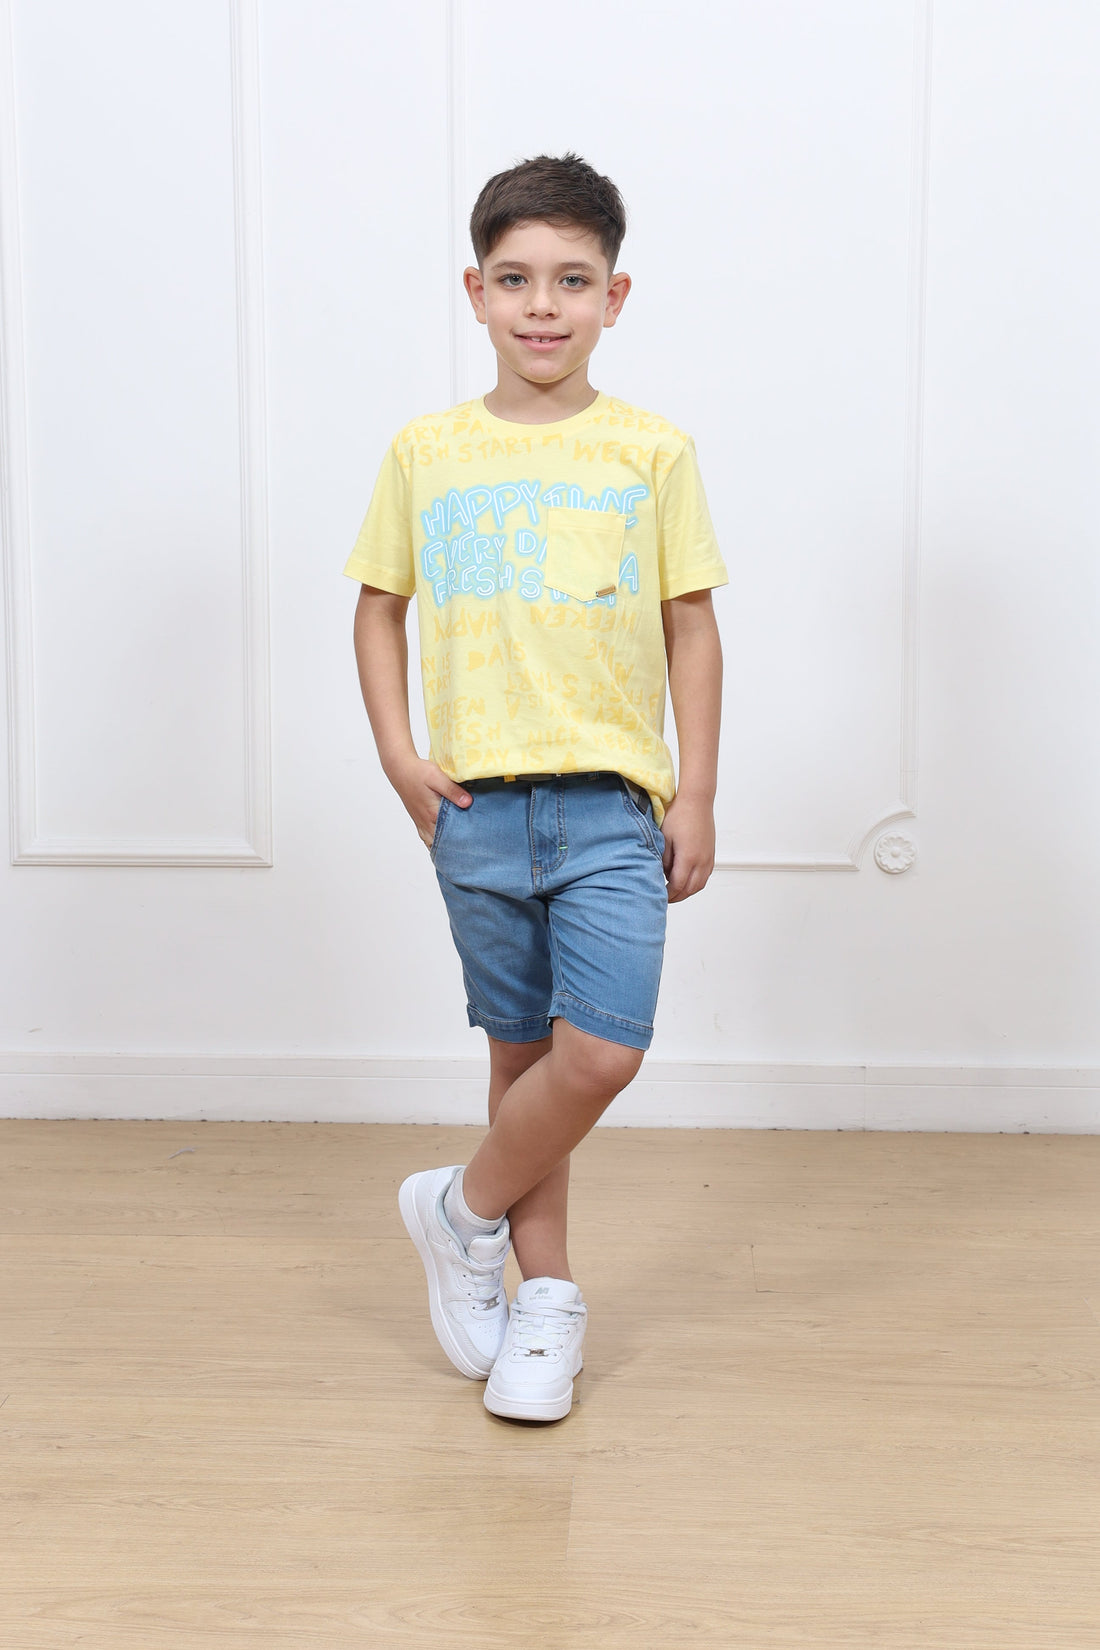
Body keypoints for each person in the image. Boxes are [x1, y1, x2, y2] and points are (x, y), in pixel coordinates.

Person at [346, 153, 726, 1422]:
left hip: (612, 803)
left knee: (599, 1053)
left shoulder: (651, 450)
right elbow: (378, 608)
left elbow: (688, 625)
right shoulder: (425, 451)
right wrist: (399, 754)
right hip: (477, 807)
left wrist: (694, 793)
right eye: (514, 279)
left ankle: (460, 1210)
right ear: (475, 292)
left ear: (614, 296)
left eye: (571, 280)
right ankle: (543, 1301)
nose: (542, 305)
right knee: (521, 1061)